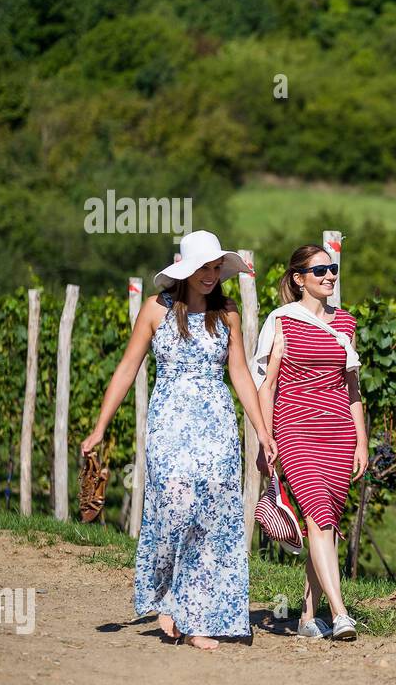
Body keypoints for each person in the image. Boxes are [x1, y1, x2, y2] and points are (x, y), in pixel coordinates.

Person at [81, 230, 275, 651]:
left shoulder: (228, 314)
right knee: (174, 505)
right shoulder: (155, 310)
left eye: (215, 268)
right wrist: (100, 426)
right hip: (170, 421)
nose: (210, 275)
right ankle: (168, 596)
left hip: (217, 422)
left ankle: (196, 618)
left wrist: (261, 430)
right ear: (185, 271)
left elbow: (240, 374)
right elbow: (128, 367)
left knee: (211, 516)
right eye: (203, 268)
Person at [251, 245, 367, 641]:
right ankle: (340, 613)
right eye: (321, 270)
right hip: (295, 429)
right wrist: (265, 439)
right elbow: (267, 387)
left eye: (332, 269)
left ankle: (306, 616)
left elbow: (352, 389)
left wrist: (361, 442)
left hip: (338, 432)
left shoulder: (347, 323)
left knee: (328, 526)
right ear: (299, 278)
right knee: (318, 515)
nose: (330, 276)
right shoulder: (281, 321)